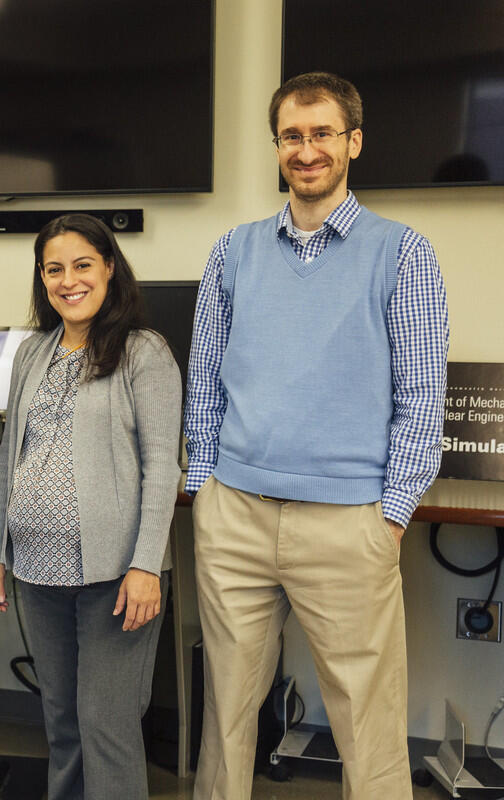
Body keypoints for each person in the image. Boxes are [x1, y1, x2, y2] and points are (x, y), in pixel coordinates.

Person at [184, 72, 449, 800]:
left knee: (368, 720)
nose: (307, 150)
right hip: (234, 513)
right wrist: (202, 486)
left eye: (322, 134)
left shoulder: (403, 253)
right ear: (278, 148)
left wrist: (391, 513)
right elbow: (205, 379)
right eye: (292, 136)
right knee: (227, 718)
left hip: (348, 522)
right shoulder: (233, 252)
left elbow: (423, 397)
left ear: (353, 143)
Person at [0, 213, 182, 800]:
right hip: (37, 570)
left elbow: (162, 466)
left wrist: (146, 566)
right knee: (62, 724)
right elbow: (7, 459)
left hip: (115, 575)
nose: (69, 280)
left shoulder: (144, 352)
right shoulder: (31, 354)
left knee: (106, 725)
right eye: (54, 269)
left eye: (83, 265)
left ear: (110, 269)